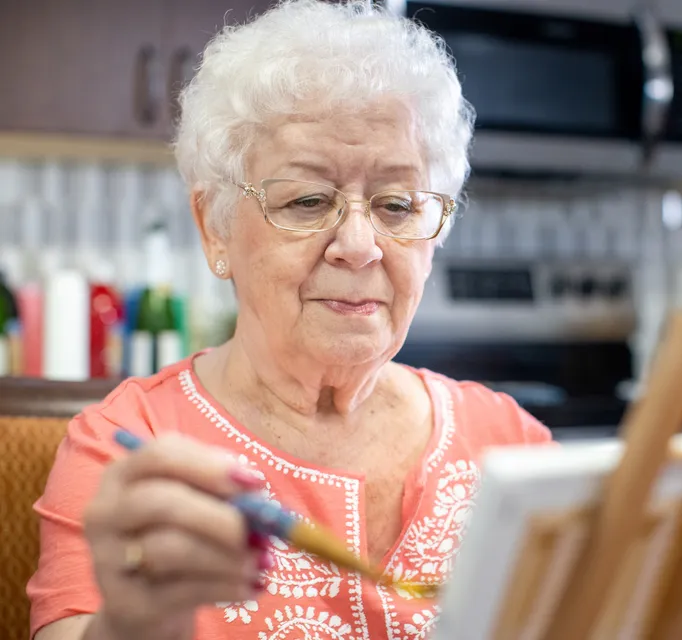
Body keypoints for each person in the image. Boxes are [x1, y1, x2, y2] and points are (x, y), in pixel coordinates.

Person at [27, 2, 553, 639]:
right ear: (213, 227)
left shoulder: (512, 447)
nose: (359, 245)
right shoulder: (128, 443)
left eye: (395, 204)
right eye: (307, 200)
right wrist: (137, 622)